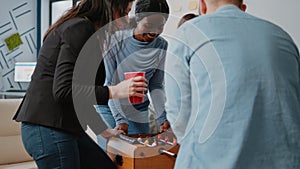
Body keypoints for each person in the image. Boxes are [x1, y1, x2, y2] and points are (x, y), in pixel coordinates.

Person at [165, 0, 300, 169]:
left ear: (202, 6)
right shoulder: (282, 37)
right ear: (243, 9)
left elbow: (178, 116)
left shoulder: (187, 33)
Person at [12, 0, 148, 168]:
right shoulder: (79, 28)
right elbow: (63, 91)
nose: (127, 19)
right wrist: (114, 91)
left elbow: (79, 98)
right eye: (125, 13)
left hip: (64, 127)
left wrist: (105, 132)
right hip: (48, 127)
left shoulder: (88, 33)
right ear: (110, 8)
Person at [95, 0, 170, 136]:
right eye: (148, 25)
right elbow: (111, 83)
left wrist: (162, 117)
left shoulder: (162, 46)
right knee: (111, 153)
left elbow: (156, 85)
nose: (154, 31)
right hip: (109, 106)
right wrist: (121, 120)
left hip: (138, 109)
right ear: (137, 20)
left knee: (137, 153)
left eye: (160, 26)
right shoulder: (114, 40)